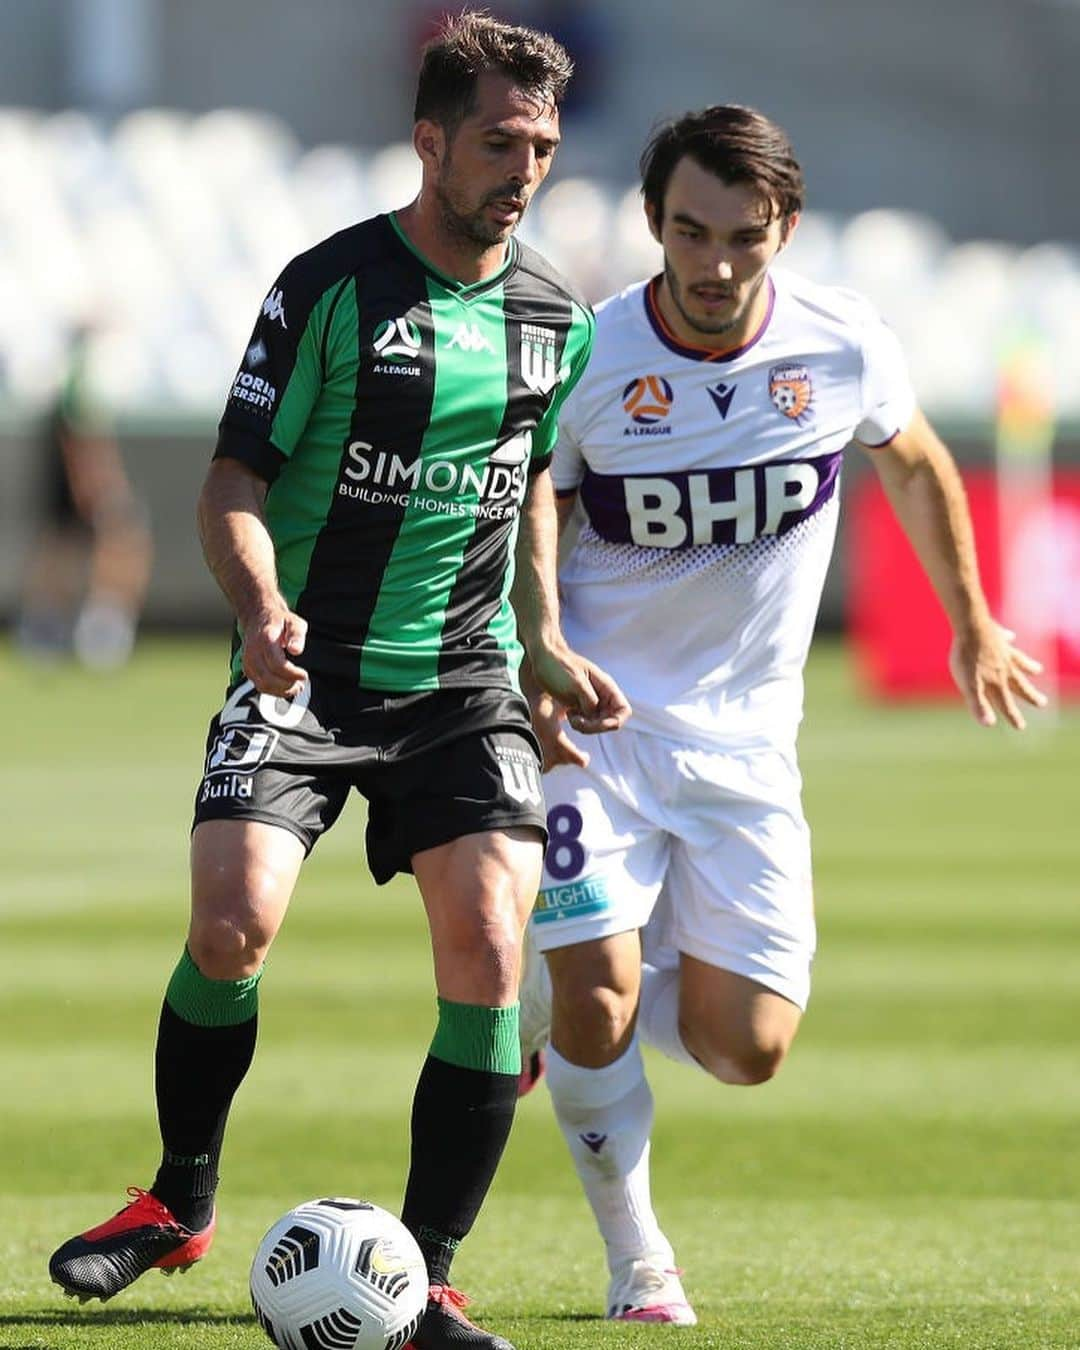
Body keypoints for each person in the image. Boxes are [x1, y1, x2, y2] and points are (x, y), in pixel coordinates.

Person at [47, 14, 629, 1350]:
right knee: (230, 922)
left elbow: (528, 474)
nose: (524, 168)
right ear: (429, 139)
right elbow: (231, 481)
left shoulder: (553, 314)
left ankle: (423, 1280)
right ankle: (179, 1199)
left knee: (488, 945)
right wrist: (258, 609)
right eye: (498, 142)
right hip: (304, 665)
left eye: (540, 145)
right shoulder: (329, 290)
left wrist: (539, 638)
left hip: (461, 678)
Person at [518, 104, 1047, 1324]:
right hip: (596, 730)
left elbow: (912, 458)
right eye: (689, 234)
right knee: (597, 996)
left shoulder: (840, 344)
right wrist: (542, 645)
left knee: (747, 1047)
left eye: (743, 239)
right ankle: (638, 1259)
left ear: (784, 229)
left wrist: (970, 618)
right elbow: (534, 492)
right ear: (653, 223)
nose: (713, 266)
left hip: (749, 746)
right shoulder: (594, 358)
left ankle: (548, 980)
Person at [16, 324, 152, 669]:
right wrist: (98, 490)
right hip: (84, 488)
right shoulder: (79, 386)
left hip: (72, 487)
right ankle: (99, 631)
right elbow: (83, 444)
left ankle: (50, 630)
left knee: (60, 552)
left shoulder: (72, 384)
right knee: (119, 546)